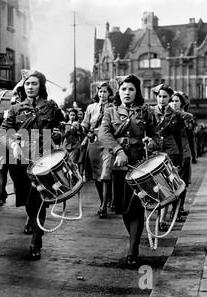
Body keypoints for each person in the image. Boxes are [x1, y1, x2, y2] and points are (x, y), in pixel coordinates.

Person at [0, 69, 64, 260]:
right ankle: (35, 226)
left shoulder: (51, 107)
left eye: (34, 83)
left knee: (38, 200)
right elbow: (2, 132)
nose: (30, 87)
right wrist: (12, 143)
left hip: (43, 160)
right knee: (27, 202)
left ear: (41, 86)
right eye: (27, 84)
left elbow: (60, 127)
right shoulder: (15, 109)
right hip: (20, 162)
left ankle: (36, 240)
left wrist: (58, 135)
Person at [99, 74, 161, 267]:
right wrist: (118, 150)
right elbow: (104, 133)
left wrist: (151, 142)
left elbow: (157, 135)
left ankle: (132, 248)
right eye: (124, 89)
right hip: (118, 163)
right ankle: (133, 240)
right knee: (124, 208)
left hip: (140, 163)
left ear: (137, 91)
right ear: (118, 91)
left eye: (131, 89)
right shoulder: (110, 111)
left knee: (136, 207)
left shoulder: (146, 111)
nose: (127, 92)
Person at [151, 84, 192, 230]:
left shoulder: (175, 115)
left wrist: (181, 158)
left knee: (167, 187)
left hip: (171, 154)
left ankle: (162, 219)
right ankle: (157, 213)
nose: (161, 99)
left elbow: (179, 138)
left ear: (169, 98)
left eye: (165, 97)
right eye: (159, 96)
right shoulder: (150, 112)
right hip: (155, 153)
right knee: (155, 186)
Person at [82, 82, 114, 219]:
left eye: (105, 92)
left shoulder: (113, 108)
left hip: (107, 141)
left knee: (106, 173)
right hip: (94, 142)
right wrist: (86, 132)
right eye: (100, 92)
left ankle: (103, 206)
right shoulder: (91, 107)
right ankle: (104, 200)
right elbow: (85, 124)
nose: (102, 94)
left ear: (109, 94)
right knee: (97, 175)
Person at [170, 91, 195, 219]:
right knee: (171, 183)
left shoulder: (187, 117)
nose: (174, 103)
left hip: (185, 153)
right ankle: (171, 209)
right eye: (172, 101)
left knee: (182, 183)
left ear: (182, 103)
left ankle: (179, 208)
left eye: (176, 101)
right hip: (171, 153)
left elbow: (191, 137)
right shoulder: (167, 116)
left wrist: (194, 154)